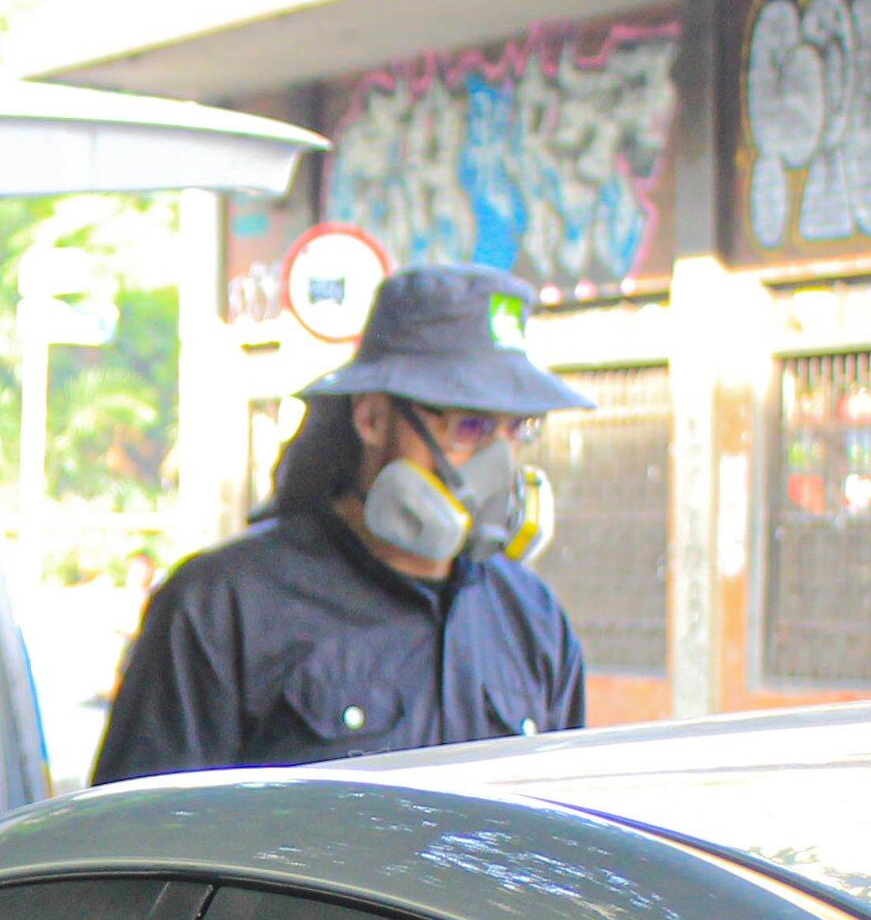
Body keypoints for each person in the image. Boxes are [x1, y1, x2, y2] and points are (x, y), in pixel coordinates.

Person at [90, 263, 588, 785]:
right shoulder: (222, 608)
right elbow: (138, 827)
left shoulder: (534, 621)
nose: (499, 464)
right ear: (371, 418)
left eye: (517, 429)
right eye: (469, 428)